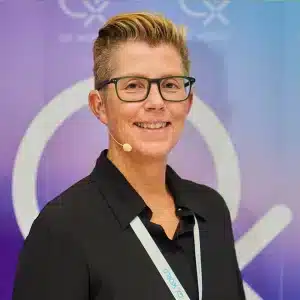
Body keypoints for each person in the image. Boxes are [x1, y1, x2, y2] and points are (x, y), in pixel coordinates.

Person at [12, 12, 245, 300]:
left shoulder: (210, 211)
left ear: (187, 103)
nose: (157, 102)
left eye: (170, 85)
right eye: (134, 86)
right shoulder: (62, 228)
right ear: (99, 106)